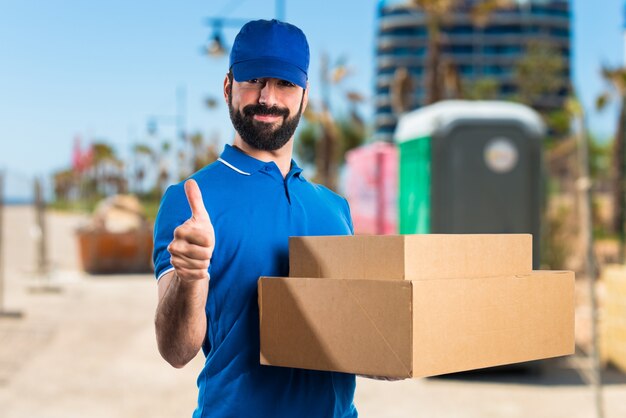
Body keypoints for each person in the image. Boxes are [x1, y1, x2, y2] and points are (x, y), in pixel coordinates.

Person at [153, 19, 358, 417]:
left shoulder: (336, 208)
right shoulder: (191, 201)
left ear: (305, 95)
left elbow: (351, 325)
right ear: (229, 86)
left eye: (285, 84)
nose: (268, 98)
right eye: (254, 80)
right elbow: (176, 351)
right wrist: (189, 277)